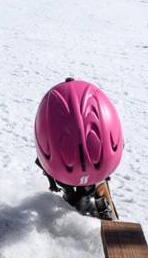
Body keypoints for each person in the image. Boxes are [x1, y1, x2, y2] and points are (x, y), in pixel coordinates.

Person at [35, 78, 123, 220]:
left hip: (65, 169)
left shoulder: (57, 163)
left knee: (87, 185)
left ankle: (87, 195)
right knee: (92, 184)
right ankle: (92, 194)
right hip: (92, 167)